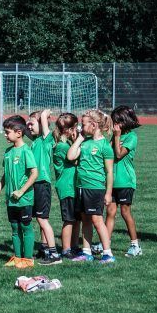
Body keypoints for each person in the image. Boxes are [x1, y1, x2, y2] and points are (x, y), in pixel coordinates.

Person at [67, 109, 116, 264]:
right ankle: (86, 252)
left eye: (83, 124)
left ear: (93, 125)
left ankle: (108, 254)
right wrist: (80, 138)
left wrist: (108, 193)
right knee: (86, 220)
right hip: (81, 187)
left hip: (95, 188)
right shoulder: (85, 142)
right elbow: (70, 156)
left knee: (97, 220)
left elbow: (109, 172)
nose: (80, 127)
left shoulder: (105, 146)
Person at [0, 115, 38, 269]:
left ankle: (28, 259)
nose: (5, 135)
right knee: (15, 228)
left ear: (18, 133)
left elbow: (34, 174)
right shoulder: (8, 152)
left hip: (24, 199)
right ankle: (17, 258)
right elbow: (6, 174)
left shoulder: (26, 151)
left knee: (26, 227)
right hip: (10, 199)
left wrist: (21, 191)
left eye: (7, 132)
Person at [27, 109, 61, 265]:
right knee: (40, 218)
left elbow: (43, 120)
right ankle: (44, 249)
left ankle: (54, 255)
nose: (29, 126)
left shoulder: (47, 139)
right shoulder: (35, 141)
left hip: (42, 184)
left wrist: (44, 115)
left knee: (42, 219)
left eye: (32, 123)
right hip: (34, 183)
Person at [108, 105, 142, 257]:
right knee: (110, 212)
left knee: (125, 212)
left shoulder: (131, 137)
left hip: (125, 181)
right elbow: (107, 151)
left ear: (125, 121)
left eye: (117, 122)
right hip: (112, 181)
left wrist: (116, 137)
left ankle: (135, 245)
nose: (115, 125)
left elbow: (118, 154)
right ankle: (105, 243)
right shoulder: (116, 135)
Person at [53, 113, 82, 259]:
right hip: (66, 187)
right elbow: (75, 160)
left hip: (73, 186)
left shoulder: (68, 144)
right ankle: (66, 249)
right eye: (75, 127)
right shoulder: (62, 146)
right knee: (69, 220)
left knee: (77, 219)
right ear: (69, 129)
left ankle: (74, 246)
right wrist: (78, 140)